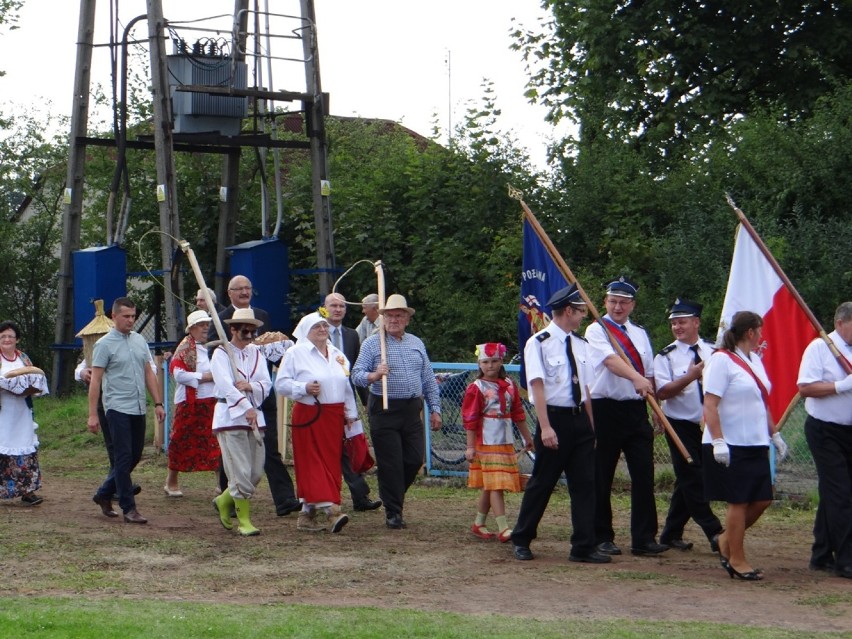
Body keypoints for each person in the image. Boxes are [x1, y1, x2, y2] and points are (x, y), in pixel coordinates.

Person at [511, 285, 610, 563]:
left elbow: (586, 389)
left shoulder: (581, 345)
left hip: (579, 420)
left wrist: (591, 428)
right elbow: (537, 385)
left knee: (585, 485)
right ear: (568, 311)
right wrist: (545, 426)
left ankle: (583, 545)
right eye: (580, 312)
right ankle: (522, 538)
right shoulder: (539, 342)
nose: (582, 317)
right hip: (554, 418)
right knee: (542, 482)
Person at [584, 277, 667, 557]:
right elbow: (610, 361)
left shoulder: (640, 333)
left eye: (623, 302)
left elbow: (650, 371)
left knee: (644, 473)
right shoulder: (597, 329)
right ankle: (601, 536)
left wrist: (656, 407)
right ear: (605, 302)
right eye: (613, 301)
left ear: (632, 304)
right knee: (601, 474)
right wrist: (636, 378)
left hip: (635, 409)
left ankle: (643, 538)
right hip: (604, 408)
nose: (618, 307)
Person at [703, 310, 788, 581]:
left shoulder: (754, 359)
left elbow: (761, 401)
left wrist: (773, 434)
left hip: (755, 441)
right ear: (750, 332)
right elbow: (710, 403)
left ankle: (725, 541)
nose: (761, 336)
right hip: (731, 443)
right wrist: (718, 441)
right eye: (759, 331)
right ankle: (736, 559)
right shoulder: (720, 360)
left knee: (762, 499)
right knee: (738, 502)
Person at [212, 275, 301, 517]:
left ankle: (284, 499)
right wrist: (239, 396)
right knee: (232, 456)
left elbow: (265, 355)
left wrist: (254, 386)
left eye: (248, 288)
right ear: (229, 293)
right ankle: (231, 498)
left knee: (267, 449)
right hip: (231, 405)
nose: (244, 292)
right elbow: (215, 354)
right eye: (239, 289)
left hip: (260, 400)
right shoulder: (219, 319)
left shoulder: (262, 315)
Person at [351, 293, 442, 529]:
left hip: (411, 408)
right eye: (390, 315)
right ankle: (394, 511)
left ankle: (393, 494)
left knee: (413, 459)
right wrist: (375, 374)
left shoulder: (416, 343)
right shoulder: (373, 343)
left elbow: (428, 379)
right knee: (391, 462)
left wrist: (435, 409)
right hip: (384, 407)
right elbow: (356, 375)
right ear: (383, 318)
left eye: (399, 315)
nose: (394, 319)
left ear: (407, 319)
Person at [276, 310, 359, 533]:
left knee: (329, 463)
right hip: (309, 415)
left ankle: (307, 513)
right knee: (313, 463)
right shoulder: (295, 353)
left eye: (324, 326)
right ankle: (332, 510)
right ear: (306, 331)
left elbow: (346, 385)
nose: (323, 330)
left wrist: (351, 413)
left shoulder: (337, 354)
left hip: (333, 418)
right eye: (317, 327)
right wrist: (303, 388)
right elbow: (281, 384)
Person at [653, 298, 724, 552]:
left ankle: (671, 533)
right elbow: (662, 392)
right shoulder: (666, 356)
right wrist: (690, 376)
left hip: (707, 424)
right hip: (679, 424)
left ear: (696, 322)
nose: (677, 327)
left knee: (687, 480)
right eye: (674, 323)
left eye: (682, 322)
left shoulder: (714, 351)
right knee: (694, 477)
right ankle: (715, 532)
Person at [88, 297, 166, 524]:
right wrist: (93, 413)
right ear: (114, 316)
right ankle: (128, 507)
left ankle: (103, 493)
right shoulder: (103, 345)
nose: (131, 320)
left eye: (133, 316)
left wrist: (158, 403)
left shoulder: (140, 341)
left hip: (138, 406)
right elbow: (95, 381)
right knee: (123, 458)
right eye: (126, 316)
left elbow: (148, 373)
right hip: (116, 407)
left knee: (134, 456)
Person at [797, 302, 852, 579]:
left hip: (849, 431)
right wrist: (842, 386)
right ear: (841, 322)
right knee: (841, 493)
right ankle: (846, 560)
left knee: (837, 492)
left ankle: (821, 554)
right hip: (825, 429)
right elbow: (805, 387)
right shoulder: (820, 348)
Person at [211, 308, 273, 536]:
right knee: (240, 472)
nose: (249, 336)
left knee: (255, 472)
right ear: (233, 330)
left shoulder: (256, 353)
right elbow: (226, 386)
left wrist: (251, 388)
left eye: (253, 332)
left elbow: (266, 382)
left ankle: (223, 500)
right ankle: (244, 521)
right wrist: (245, 407)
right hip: (230, 417)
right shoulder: (220, 354)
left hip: (255, 417)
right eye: (244, 331)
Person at [463, 342, 532, 543]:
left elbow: (518, 413)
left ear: (501, 362)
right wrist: (469, 447)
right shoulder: (476, 388)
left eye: (494, 361)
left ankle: (479, 523)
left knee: (491, 484)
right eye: (485, 362)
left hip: (505, 440)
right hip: (486, 441)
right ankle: (503, 528)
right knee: (496, 484)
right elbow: (470, 418)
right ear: (479, 363)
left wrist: (528, 438)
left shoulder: (510, 385)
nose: (490, 366)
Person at [324, 292, 381, 511]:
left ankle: (360, 496)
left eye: (341, 306)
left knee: (349, 446)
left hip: (346, 400)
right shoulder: (316, 333)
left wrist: (365, 400)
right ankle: (323, 498)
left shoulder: (351, 336)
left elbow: (357, 371)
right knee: (330, 448)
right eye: (333, 306)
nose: (337, 309)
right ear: (325, 308)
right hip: (323, 402)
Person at [163, 310, 220, 497]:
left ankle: (222, 483)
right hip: (189, 403)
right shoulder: (185, 348)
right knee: (180, 440)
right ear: (192, 328)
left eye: (207, 324)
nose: (206, 327)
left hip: (213, 401)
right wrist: (206, 377)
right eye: (202, 324)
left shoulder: (216, 347)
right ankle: (171, 481)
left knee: (216, 442)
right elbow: (179, 375)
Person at [0, 320, 48, 506]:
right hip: (2, 410)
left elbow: (35, 380)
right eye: (3, 336)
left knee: (25, 446)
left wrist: (26, 389)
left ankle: (28, 491)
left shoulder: (24, 358)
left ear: (17, 339)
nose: (6, 339)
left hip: (21, 410)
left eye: (10, 336)